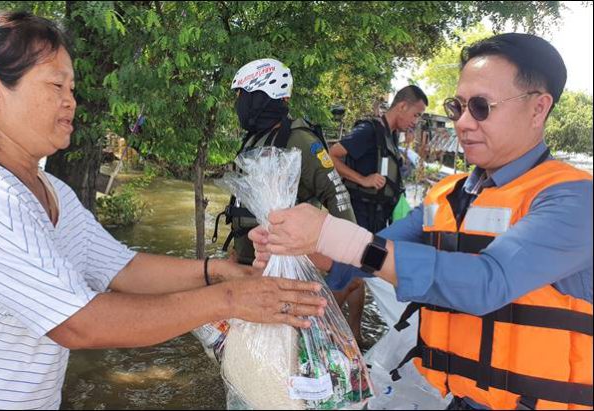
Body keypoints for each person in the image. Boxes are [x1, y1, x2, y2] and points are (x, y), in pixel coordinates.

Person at [0, 12, 327, 409]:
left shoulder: (49, 189)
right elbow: (79, 323)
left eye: (73, 89)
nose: (71, 102)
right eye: (55, 86)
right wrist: (230, 300)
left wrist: (222, 273)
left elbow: (124, 268)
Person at [249, 33, 592, 410]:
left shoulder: (573, 199)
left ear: (538, 108)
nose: (463, 123)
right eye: (456, 106)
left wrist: (335, 234)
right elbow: (365, 258)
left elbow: (489, 282)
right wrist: (300, 248)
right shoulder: (447, 195)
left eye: (481, 107)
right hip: (454, 399)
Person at [217, 58, 362, 343]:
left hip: (284, 270)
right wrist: (235, 253)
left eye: (243, 97)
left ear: (262, 97)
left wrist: (340, 253)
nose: (239, 105)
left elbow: (336, 195)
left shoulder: (301, 141)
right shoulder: (253, 140)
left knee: (287, 347)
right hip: (249, 264)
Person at [329, 85, 427, 233]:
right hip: (360, 218)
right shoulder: (368, 130)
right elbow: (331, 156)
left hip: (377, 218)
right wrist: (362, 179)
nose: (416, 122)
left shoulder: (390, 135)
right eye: (416, 115)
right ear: (403, 106)